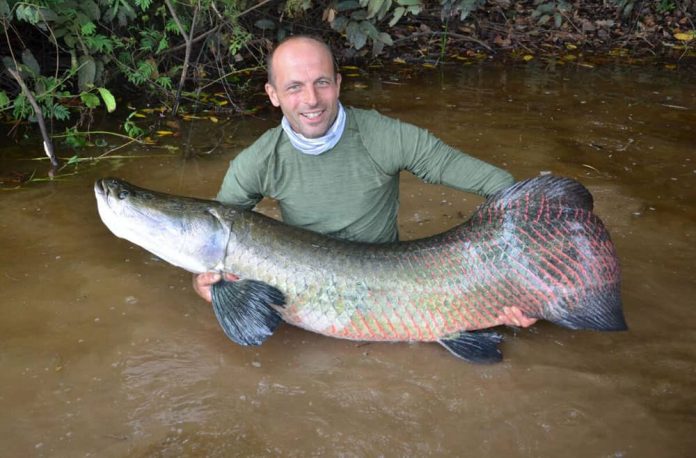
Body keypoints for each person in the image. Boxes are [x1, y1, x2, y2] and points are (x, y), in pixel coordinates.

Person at [194, 35, 536, 328]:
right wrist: (204, 283)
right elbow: (214, 240)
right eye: (294, 87)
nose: (311, 100)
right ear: (273, 94)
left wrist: (517, 276)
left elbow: (504, 186)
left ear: (338, 84)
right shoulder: (256, 161)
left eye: (322, 83)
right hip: (305, 285)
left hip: (393, 287)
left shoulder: (386, 136)